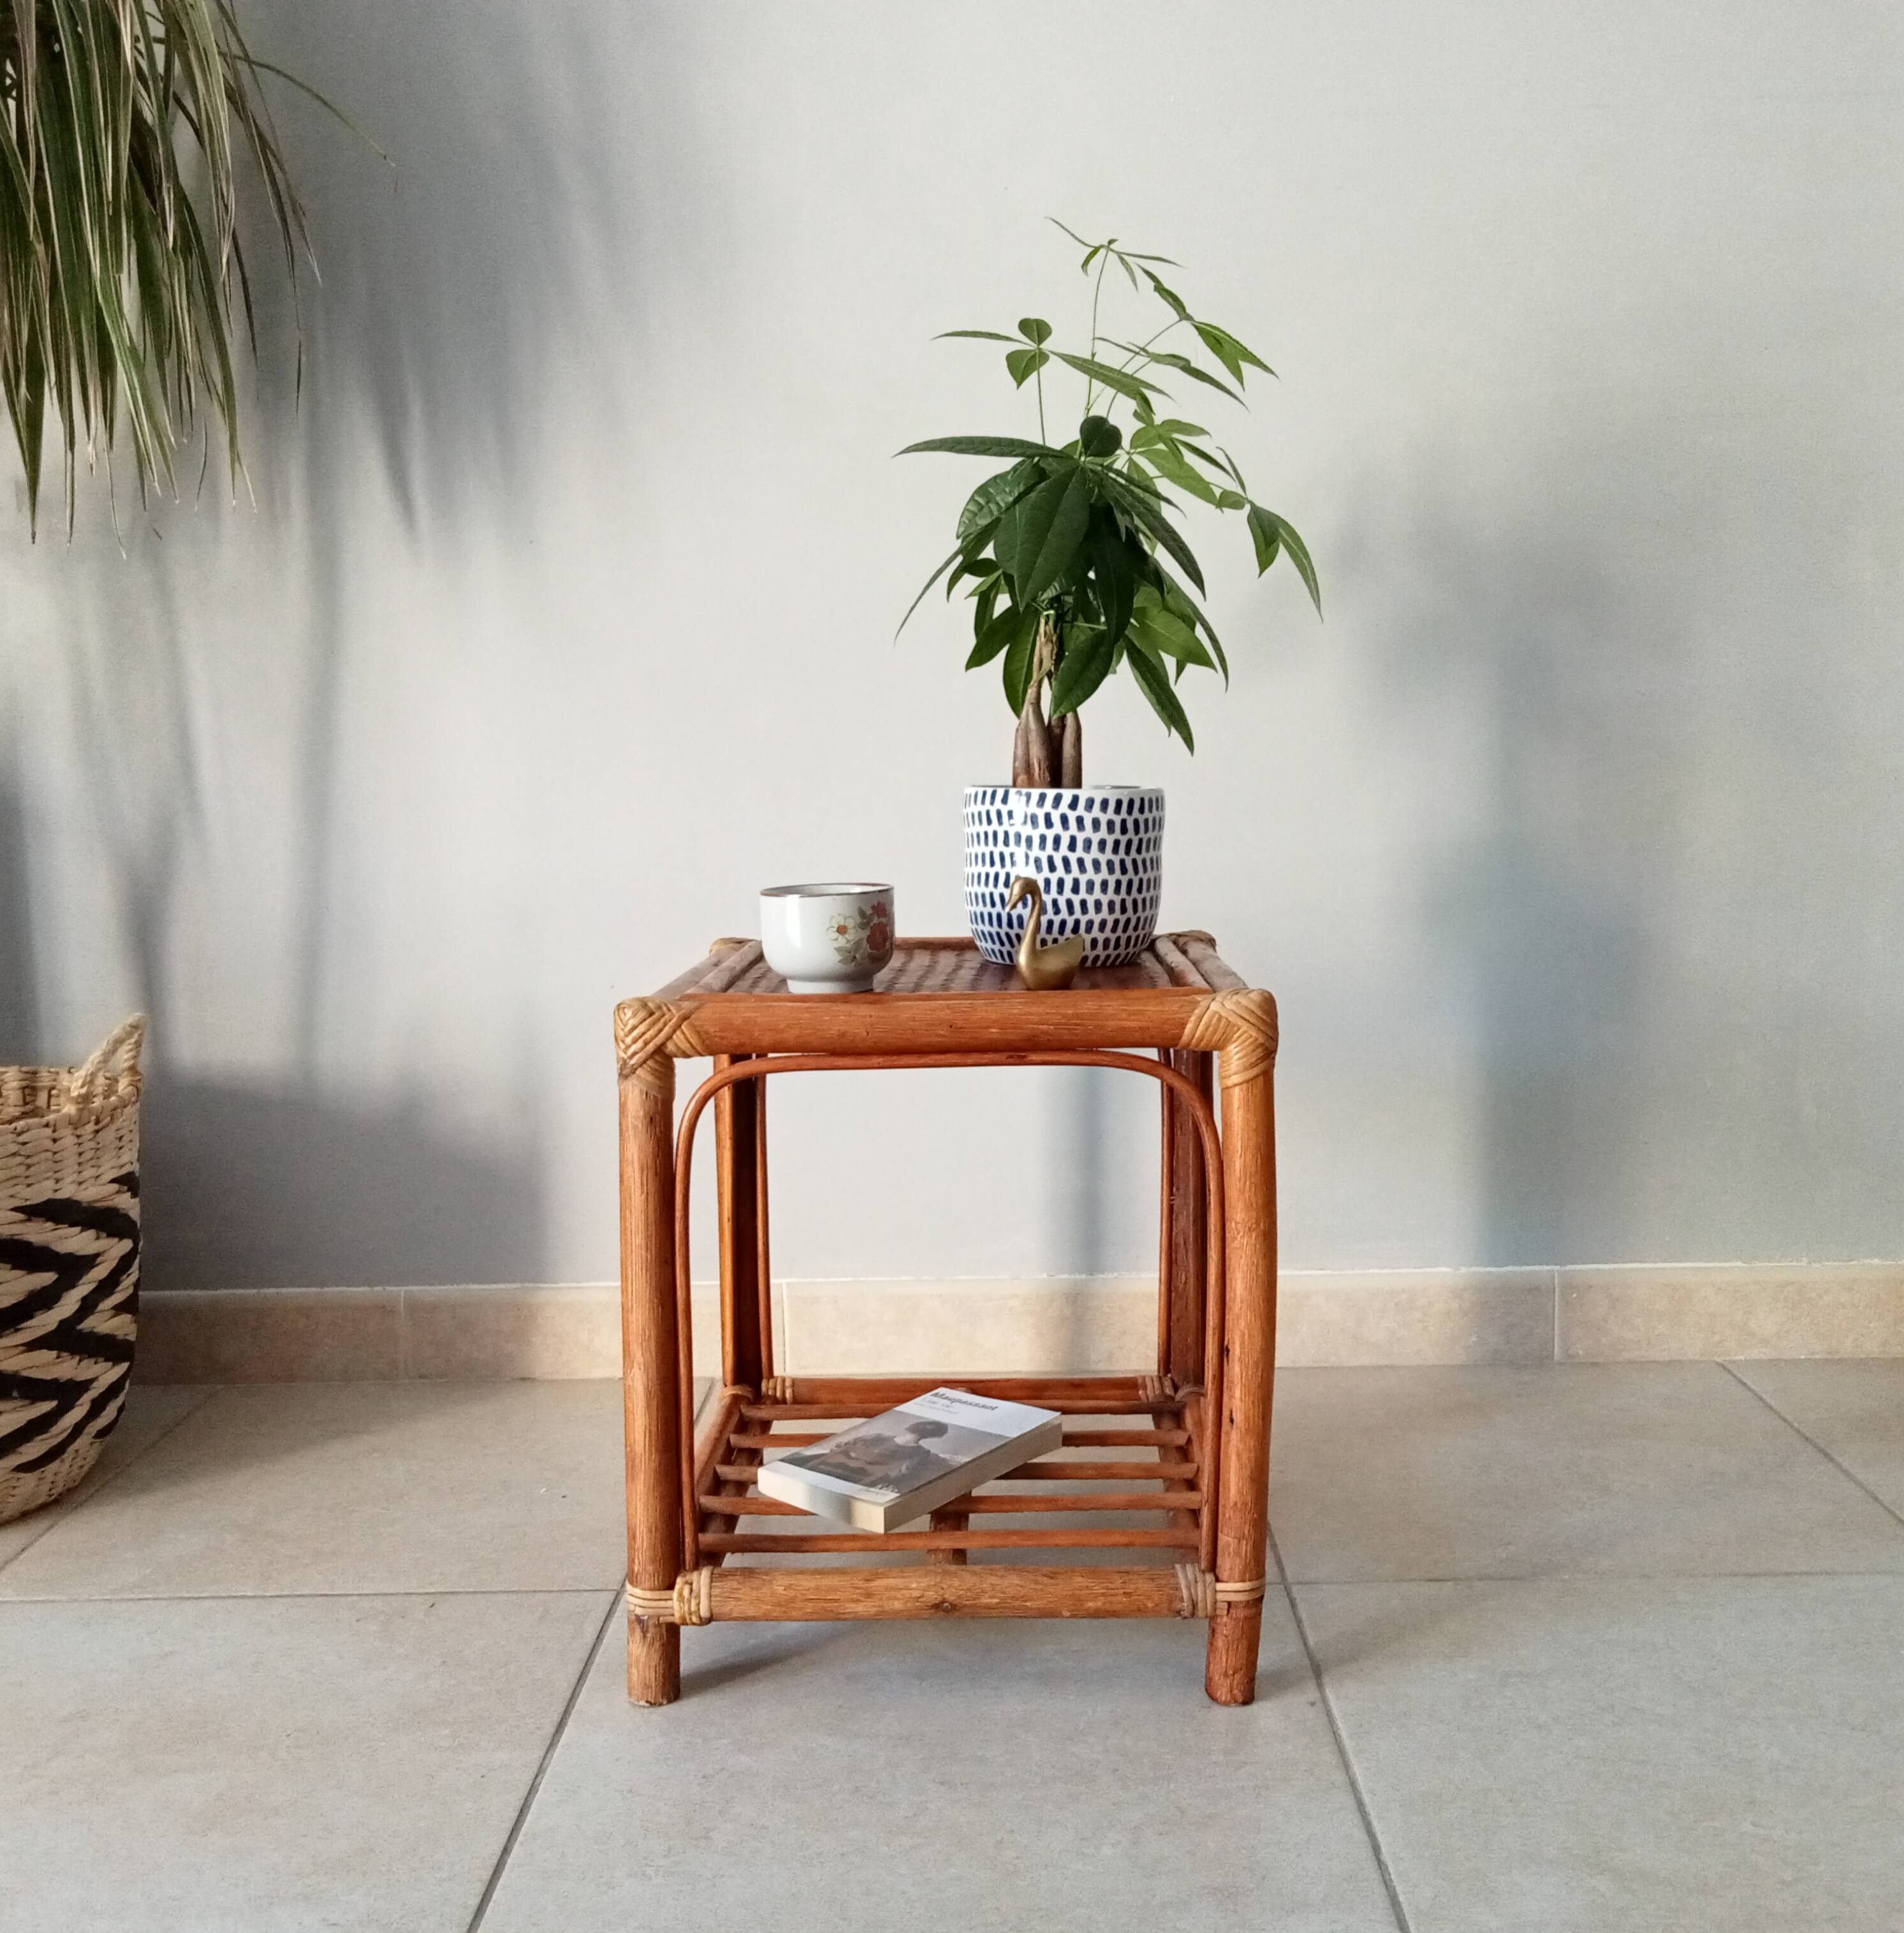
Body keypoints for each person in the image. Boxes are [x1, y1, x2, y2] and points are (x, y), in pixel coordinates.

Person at [791, 1415, 962, 1494]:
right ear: (934, 1437)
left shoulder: (879, 1436)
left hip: (827, 1465)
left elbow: (841, 1446)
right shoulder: (922, 1453)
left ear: (913, 1427)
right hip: (858, 1477)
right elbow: (905, 1473)